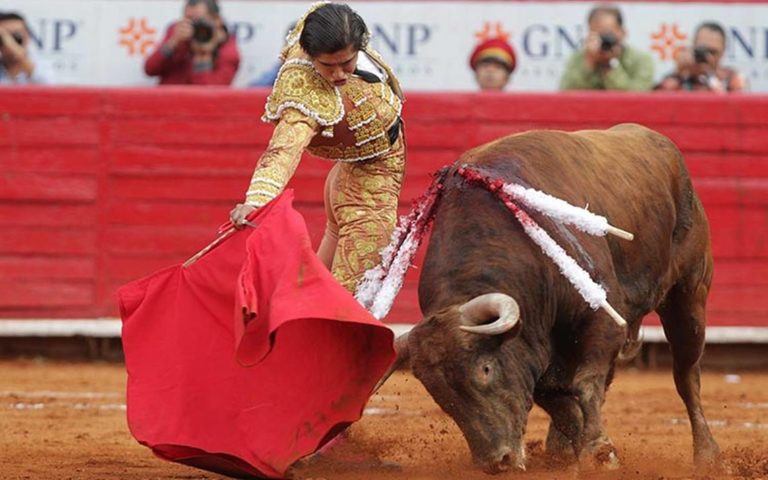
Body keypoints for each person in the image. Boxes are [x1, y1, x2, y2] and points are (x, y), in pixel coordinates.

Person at [229, 2, 405, 295]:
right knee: (349, 304)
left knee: (315, 293)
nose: (338, 74)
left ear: (359, 45)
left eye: (346, 62)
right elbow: (284, 148)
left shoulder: (330, 24)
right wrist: (257, 201)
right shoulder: (305, 89)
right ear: (310, 56)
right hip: (368, 187)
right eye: (327, 65)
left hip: (350, 175)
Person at [559, 4, 654, 91]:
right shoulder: (578, 58)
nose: (603, 39)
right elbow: (566, 93)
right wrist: (589, 63)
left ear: (623, 33)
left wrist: (610, 64)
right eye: (598, 34)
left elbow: (637, 98)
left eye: (608, 33)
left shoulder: (641, 60)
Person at [144, 0, 239, 85]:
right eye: (188, 19)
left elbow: (210, 94)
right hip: (169, 99)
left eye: (198, 20)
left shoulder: (228, 50)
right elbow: (150, 69)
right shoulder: (177, 33)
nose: (193, 27)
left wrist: (203, 56)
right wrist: (173, 42)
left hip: (198, 103)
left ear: (217, 20)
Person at [656, 22, 747, 93]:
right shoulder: (681, 77)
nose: (707, 56)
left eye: (713, 52)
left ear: (723, 51)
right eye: (703, 50)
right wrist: (679, 72)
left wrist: (711, 79)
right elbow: (654, 105)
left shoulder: (732, 78)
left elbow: (740, 111)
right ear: (694, 45)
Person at [0, 12, 52, 85]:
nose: (9, 42)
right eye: (3, 38)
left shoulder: (43, 66)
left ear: (28, 36)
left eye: (16, 35)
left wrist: (15, 49)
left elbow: (46, 84)